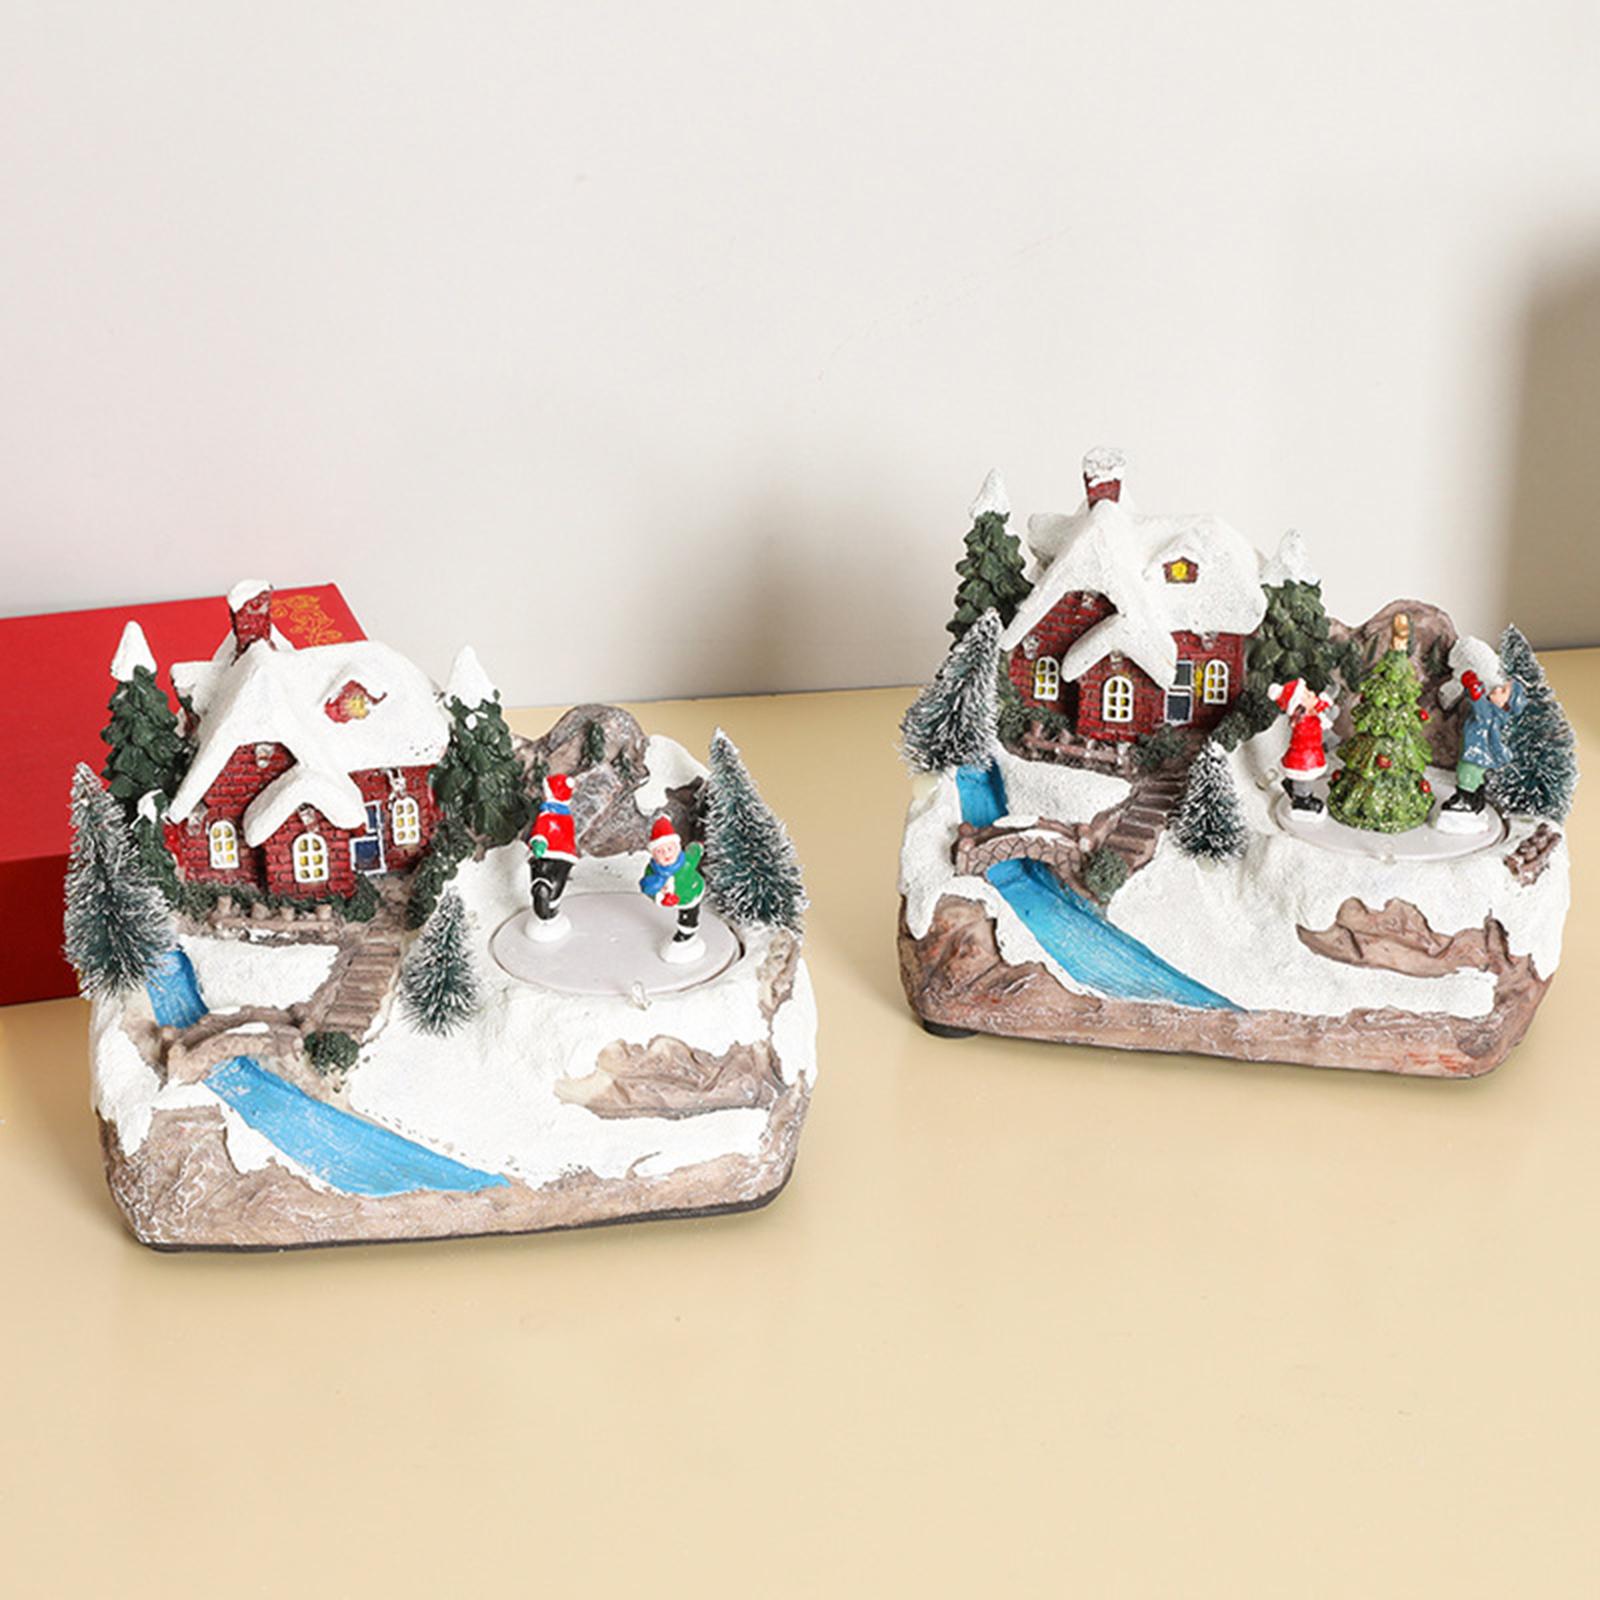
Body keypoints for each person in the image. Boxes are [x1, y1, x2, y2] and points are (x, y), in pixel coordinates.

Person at [1436, 637, 1525, 827]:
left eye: (1502, 691)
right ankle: (1476, 800)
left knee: (1466, 774)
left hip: (1476, 752)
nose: (1497, 688)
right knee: (1475, 778)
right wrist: (1474, 689)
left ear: (1506, 705)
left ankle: (1465, 800)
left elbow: (1481, 711)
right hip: (1479, 753)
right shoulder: (1496, 712)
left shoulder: (1493, 714)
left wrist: (1474, 690)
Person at [638, 814, 706, 962]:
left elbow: (694, 851)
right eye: (660, 851)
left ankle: (686, 934)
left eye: (669, 848)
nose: (666, 854)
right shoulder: (652, 871)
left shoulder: (686, 862)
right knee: (683, 912)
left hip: (691, 893)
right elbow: (646, 886)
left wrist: (699, 845)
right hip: (674, 898)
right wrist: (660, 896)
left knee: (688, 915)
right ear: (653, 854)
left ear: (677, 847)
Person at [1269, 677, 1337, 814]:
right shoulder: (1305, 722)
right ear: (1299, 708)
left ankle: (1291, 784)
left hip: (1307, 754)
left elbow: (1320, 709)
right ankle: (1302, 800)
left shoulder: (1309, 715)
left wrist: (1324, 705)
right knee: (1306, 778)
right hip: (1304, 759)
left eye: (1308, 691)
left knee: (1304, 777)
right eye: (1306, 695)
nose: (1312, 693)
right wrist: (1325, 713)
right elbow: (1322, 720)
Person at [524, 772, 578, 940]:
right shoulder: (565, 816)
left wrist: (538, 842)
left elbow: (540, 831)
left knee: (546, 882)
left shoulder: (548, 815)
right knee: (553, 883)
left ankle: (548, 908)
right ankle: (549, 907)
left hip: (550, 856)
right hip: (564, 857)